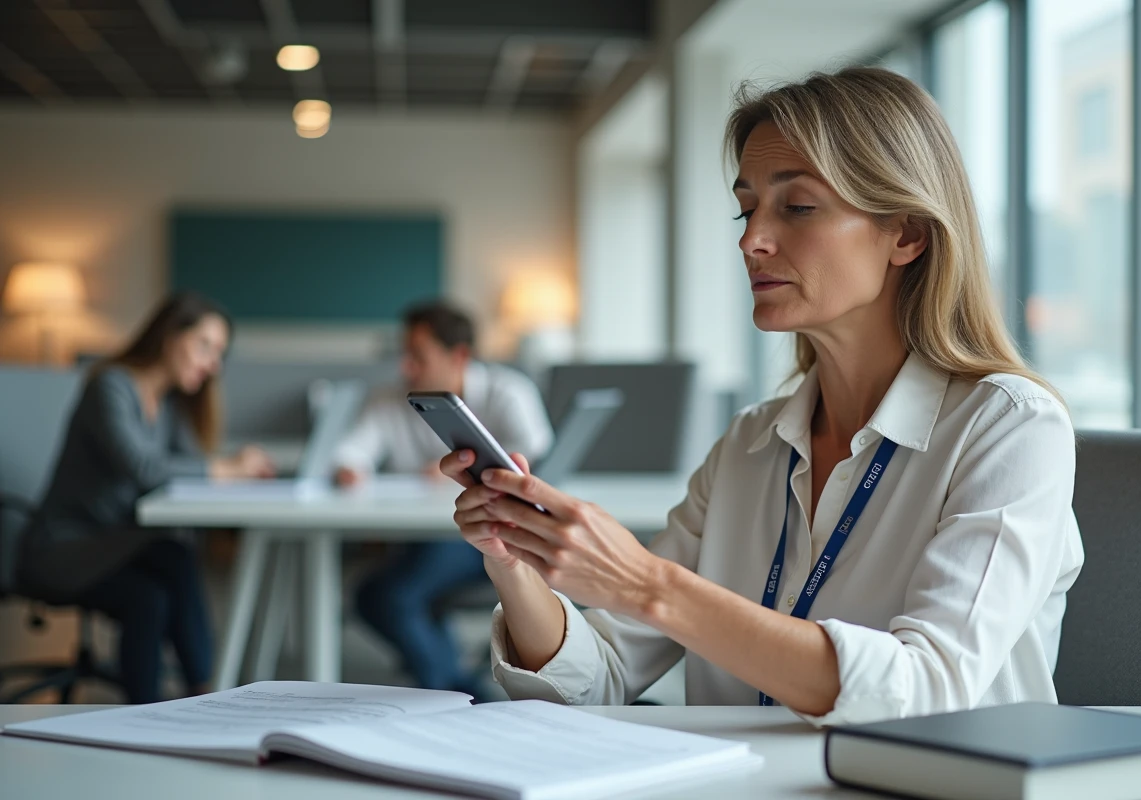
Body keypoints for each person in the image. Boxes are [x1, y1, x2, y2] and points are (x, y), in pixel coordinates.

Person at [442, 68, 1085, 725]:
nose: (752, 240)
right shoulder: (749, 444)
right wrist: (515, 561)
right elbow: (596, 680)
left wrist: (646, 584)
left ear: (907, 233)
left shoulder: (1011, 428)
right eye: (746, 208)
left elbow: (926, 689)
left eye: (797, 206)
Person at [17, 292, 275, 704]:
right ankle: (208, 695)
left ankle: (150, 711)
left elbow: (191, 468)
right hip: (63, 548)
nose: (214, 364)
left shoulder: (169, 404)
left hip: (116, 548)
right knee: (172, 554)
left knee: (150, 598)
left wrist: (239, 468)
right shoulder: (111, 386)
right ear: (169, 335)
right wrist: (228, 469)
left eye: (219, 353)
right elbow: (145, 468)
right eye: (205, 346)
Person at [336, 301, 552, 696]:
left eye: (417, 356)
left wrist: (446, 471)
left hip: (490, 537)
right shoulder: (391, 399)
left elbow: (534, 459)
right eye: (405, 355)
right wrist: (348, 468)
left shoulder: (509, 392)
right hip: (421, 538)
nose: (406, 367)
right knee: (372, 596)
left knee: (391, 597)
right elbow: (350, 455)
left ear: (460, 356)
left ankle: (449, 689)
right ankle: (457, 686)